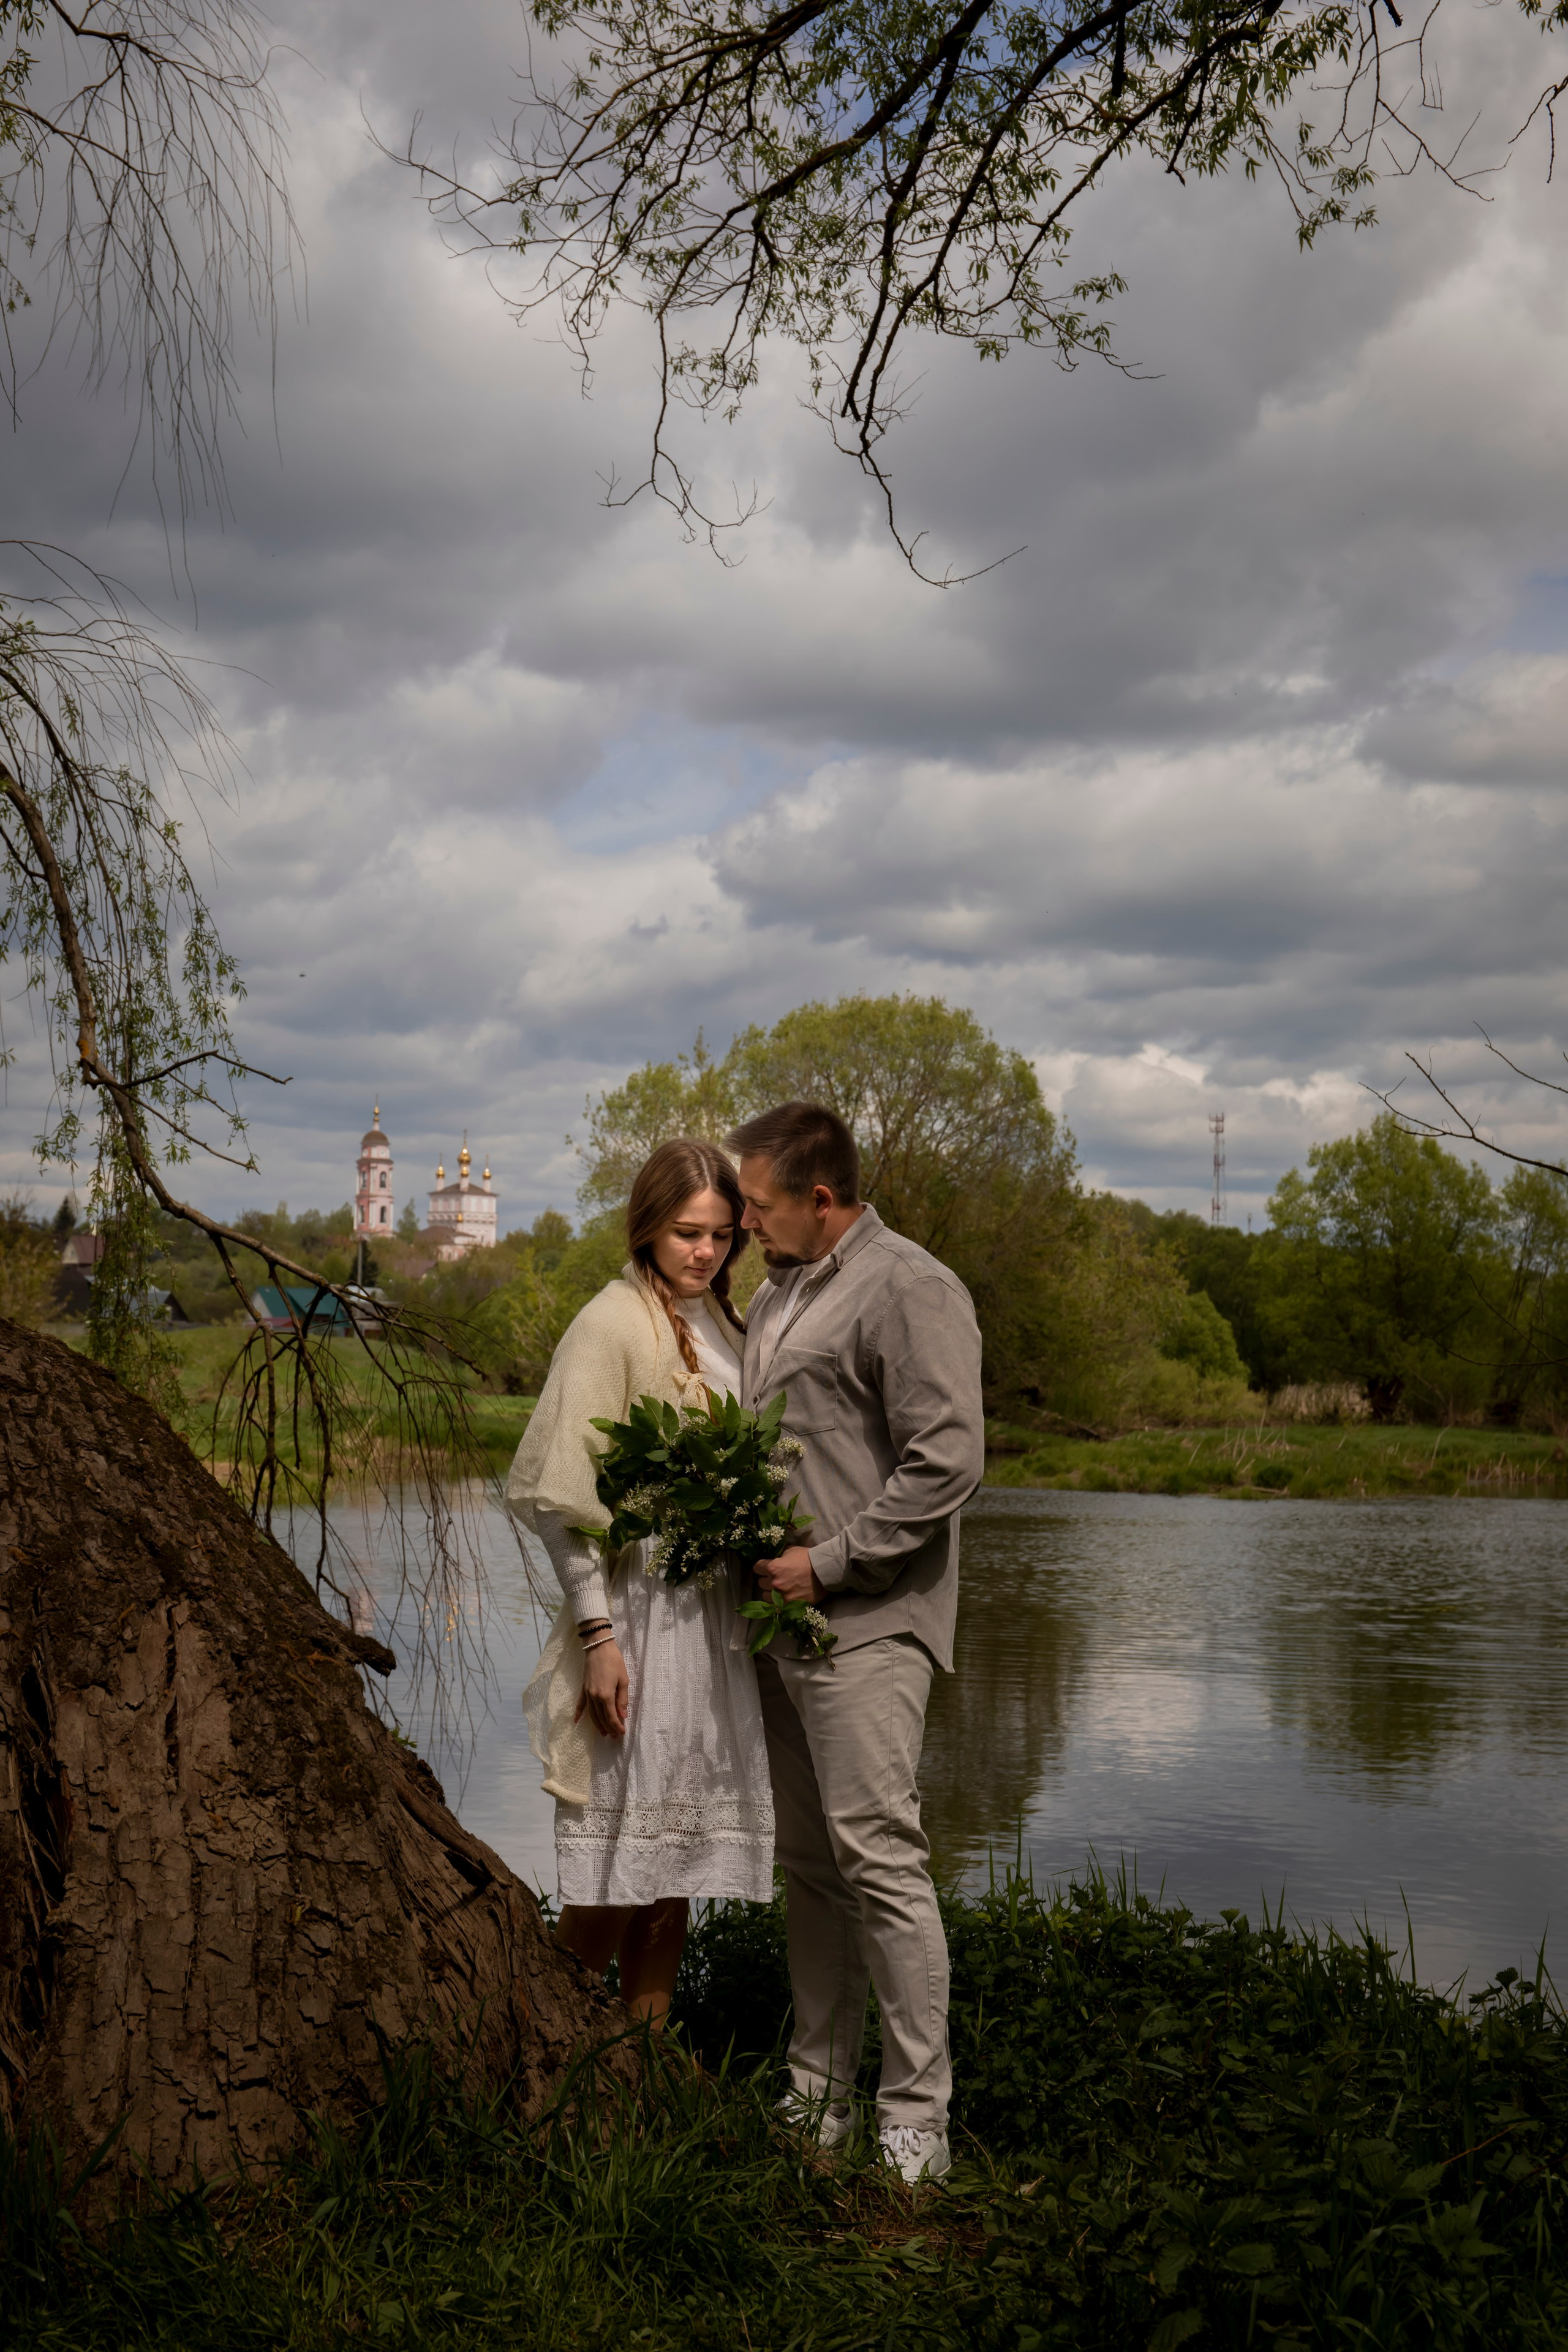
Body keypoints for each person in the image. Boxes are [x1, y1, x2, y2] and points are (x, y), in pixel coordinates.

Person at [732, 1101, 985, 2184]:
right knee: (810, 1871)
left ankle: (916, 2116)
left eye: (759, 1204)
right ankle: (818, 2094)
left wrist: (827, 1562)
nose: (746, 1224)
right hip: (781, 1627)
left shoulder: (910, 1287)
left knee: (879, 1860)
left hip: (868, 1624)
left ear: (821, 1200)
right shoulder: (777, 1293)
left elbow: (949, 1460)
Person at [507, 1139, 773, 2024]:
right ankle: (550, 2066)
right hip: (638, 1615)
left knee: (673, 1867)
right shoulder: (612, 1323)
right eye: (688, 1233)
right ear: (649, 1227)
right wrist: (598, 1636)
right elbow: (561, 1501)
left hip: (709, 1623)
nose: (706, 1252)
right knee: (618, 1868)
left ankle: (642, 2079)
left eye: (724, 1236)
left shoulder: (726, 1327)